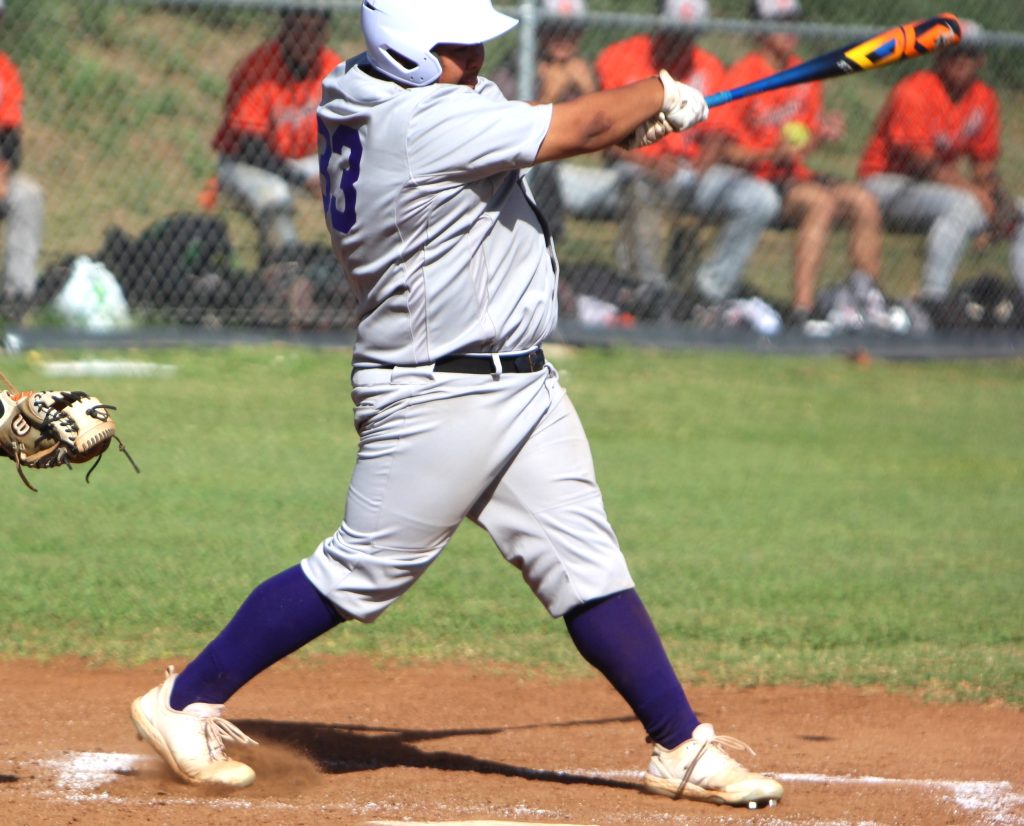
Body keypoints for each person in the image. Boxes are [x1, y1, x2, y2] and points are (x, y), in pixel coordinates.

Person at [130, 0, 783, 810]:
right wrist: (655, 99)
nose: (474, 57)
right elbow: (570, 125)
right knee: (360, 571)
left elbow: (550, 128)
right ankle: (184, 701)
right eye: (455, 45)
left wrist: (625, 120)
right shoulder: (416, 123)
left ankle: (680, 744)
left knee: (585, 564)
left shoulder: (360, 89)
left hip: (518, 386)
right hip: (437, 390)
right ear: (405, 50)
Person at [594, 0, 780, 319]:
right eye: (676, 32)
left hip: (690, 173)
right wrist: (651, 163)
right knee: (638, 185)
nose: (682, 41)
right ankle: (650, 291)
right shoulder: (619, 57)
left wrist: (700, 167)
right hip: (636, 169)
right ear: (659, 24)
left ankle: (707, 295)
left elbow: (718, 132)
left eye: (690, 34)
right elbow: (603, 135)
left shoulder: (708, 66)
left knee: (760, 199)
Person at [718, 0, 890, 330]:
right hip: (757, 179)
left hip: (794, 176)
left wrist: (820, 134)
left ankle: (865, 299)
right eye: (780, 22)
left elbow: (801, 146)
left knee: (864, 201)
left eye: (793, 20)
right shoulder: (743, 73)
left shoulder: (806, 73)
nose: (790, 30)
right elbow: (725, 152)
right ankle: (803, 310)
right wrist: (770, 155)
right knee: (820, 203)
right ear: (761, 30)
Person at [857, 18, 1024, 321]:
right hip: (885, 186)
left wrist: (998, 199)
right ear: (938, 56)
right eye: (953, 52)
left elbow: (984, 165)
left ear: (981, 59)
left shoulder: (983, 98)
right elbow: (921, 164)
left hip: (939, 190)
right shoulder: (914, 90)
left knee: (1019, 211)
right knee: (963, 205)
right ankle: (934, 303)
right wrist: (978, 197)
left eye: (969, 53)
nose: (961, 60)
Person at [211, 8, 341, 264]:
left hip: (302, 162)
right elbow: (250, 147)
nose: (306, 39)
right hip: (246, 164)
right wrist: (304, 180)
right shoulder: (258, 68)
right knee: (274, 194)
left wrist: (332, 170)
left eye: (314, 30)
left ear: (325, 33)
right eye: (299, 29)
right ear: (284, 29)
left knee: (359, 177)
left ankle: (353, 272)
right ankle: (285, 277)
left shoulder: (332, 67)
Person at [0, 0, 44, 313]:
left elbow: (10, 135)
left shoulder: (5, 71)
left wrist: (2, 177)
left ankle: (16, 300)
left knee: (27, 195)